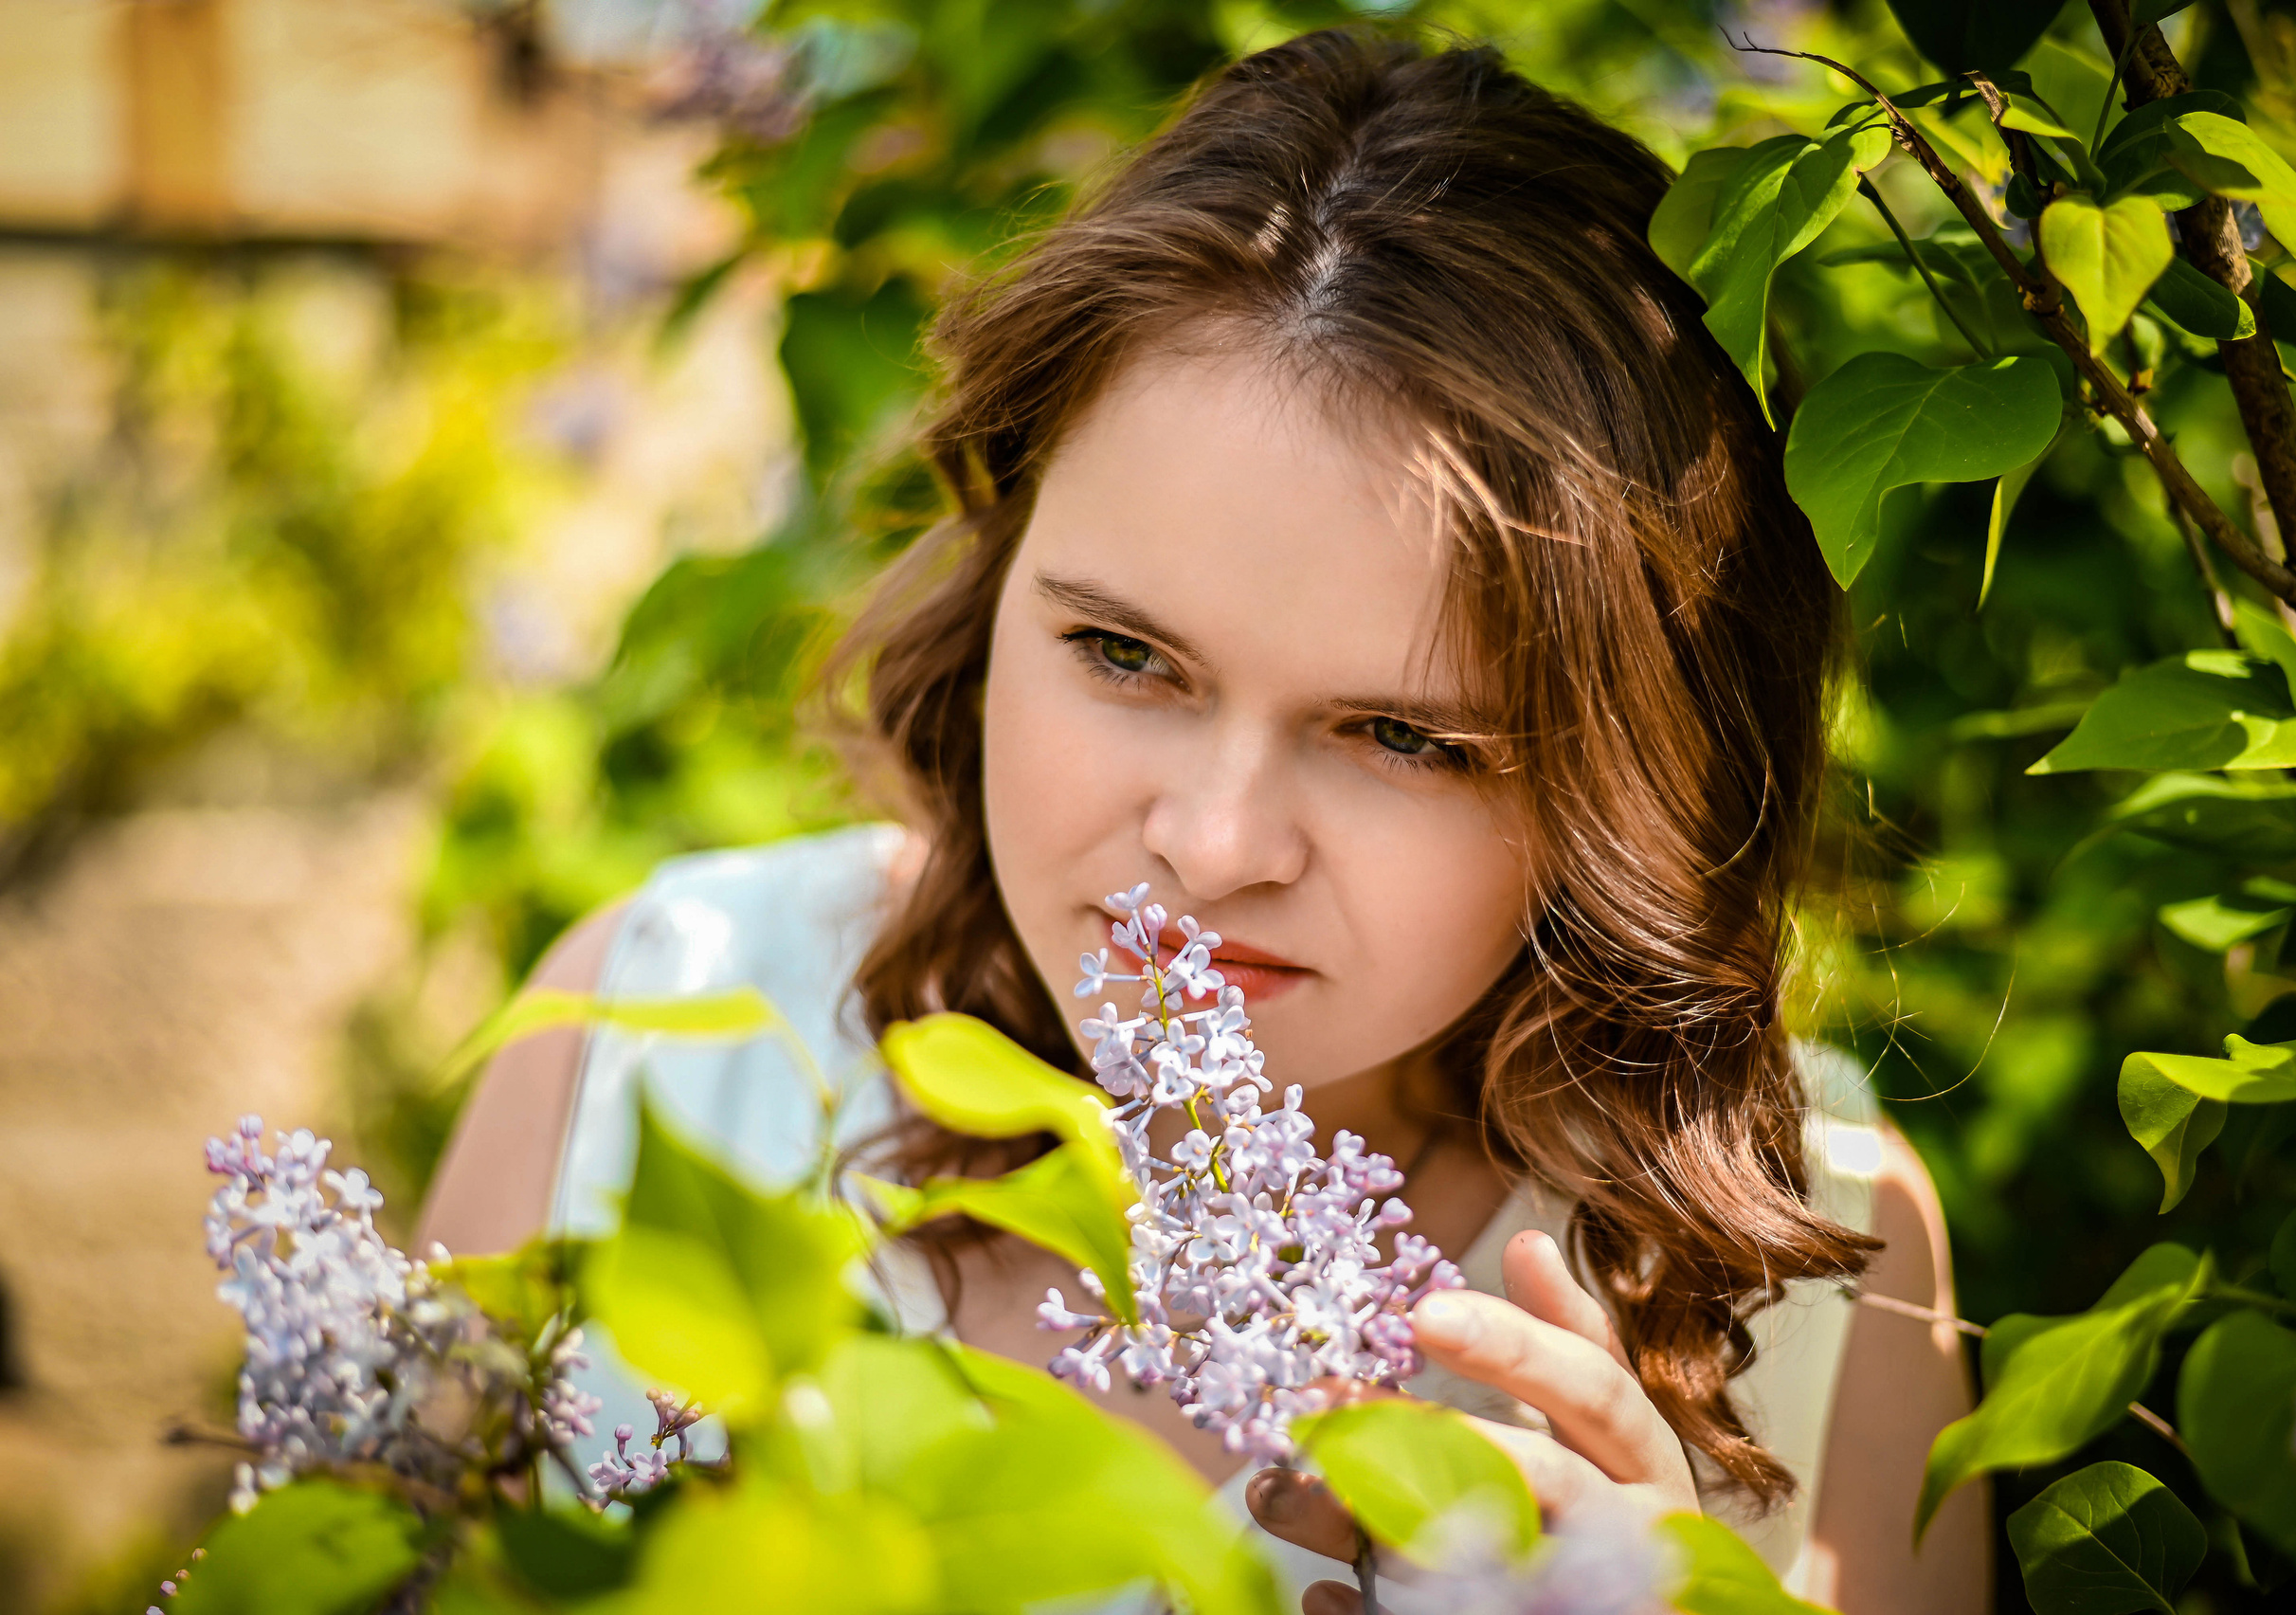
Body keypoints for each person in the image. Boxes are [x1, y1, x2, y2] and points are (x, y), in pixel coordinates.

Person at [417, 27, 1989, 1612]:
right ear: (997, 576)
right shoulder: (653, 1040)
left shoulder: (1821, 1266)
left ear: (1636, 774)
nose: (1218, 843)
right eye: (1123, 655)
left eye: (1404, 739)